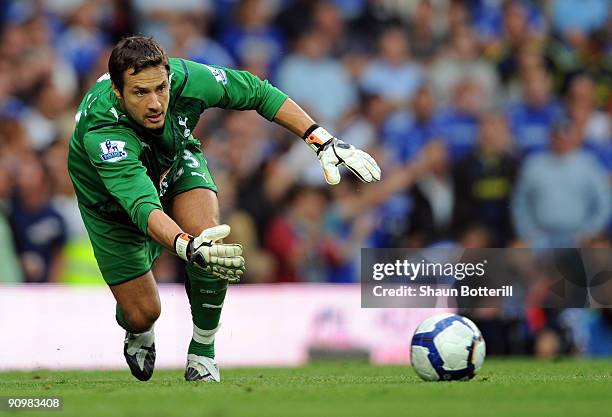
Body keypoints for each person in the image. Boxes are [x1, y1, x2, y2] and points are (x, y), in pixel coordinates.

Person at [67, 36, 380, 382]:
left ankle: (202, 353)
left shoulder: (187, 79)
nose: (156, 103)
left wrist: (320, 140)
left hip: (175, 160)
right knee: (144, 312)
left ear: (169, 79)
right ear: (117, 91)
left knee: (210, 240)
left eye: (160, 88)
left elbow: (258, 92)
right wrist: (185, 246)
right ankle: (137, 329)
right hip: (111, 207)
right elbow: (141, 205)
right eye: (141, 93)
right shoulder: (103, 132)